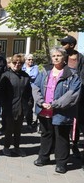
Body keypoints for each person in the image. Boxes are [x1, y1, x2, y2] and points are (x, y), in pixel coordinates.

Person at [32, 46, 81, 174]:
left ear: (64, 57)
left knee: (61, 137)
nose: (56, 58)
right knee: (46, 134)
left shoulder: (72, 74)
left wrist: (55, 104)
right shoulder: (45, 71)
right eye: (54, 56)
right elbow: (35, 86)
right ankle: (44, 157)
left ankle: (61, 163)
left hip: (62, 111)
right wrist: (41, 102)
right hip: (44, 109)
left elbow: (73, 93)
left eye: (58, 55)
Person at [0, 54, 32, 157]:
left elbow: (28, 92)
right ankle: (6, 147)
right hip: (9, 106)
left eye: (20, 63)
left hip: (21, 106)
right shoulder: (6, 75)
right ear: (11, 63)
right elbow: (1, 92)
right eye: (15, 62)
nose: (17, 64)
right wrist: (3, 105)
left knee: (18, 129)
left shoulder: (25, 76)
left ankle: (17, 147)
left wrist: (29, 104)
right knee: (9, 128)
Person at [58, 35, 84, 161]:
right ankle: (60, 146)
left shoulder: (81, 59)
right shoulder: (62, 57)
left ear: (72, 45)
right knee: (60, 119)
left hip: (77, 94)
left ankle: (74, 144)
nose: (63, 46)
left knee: (76, 121)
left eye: (65, 44)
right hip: (62, 93)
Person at [22, 53, 39, 130]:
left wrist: (24, 77)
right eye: (29, 59)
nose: (31, 61)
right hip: (22, 89)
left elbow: (34, 76)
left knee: (30, 106)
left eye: (32, 59)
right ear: (25, 60)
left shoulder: (35, 67)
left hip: (31, 89)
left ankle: (29, 122)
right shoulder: (22, 67)